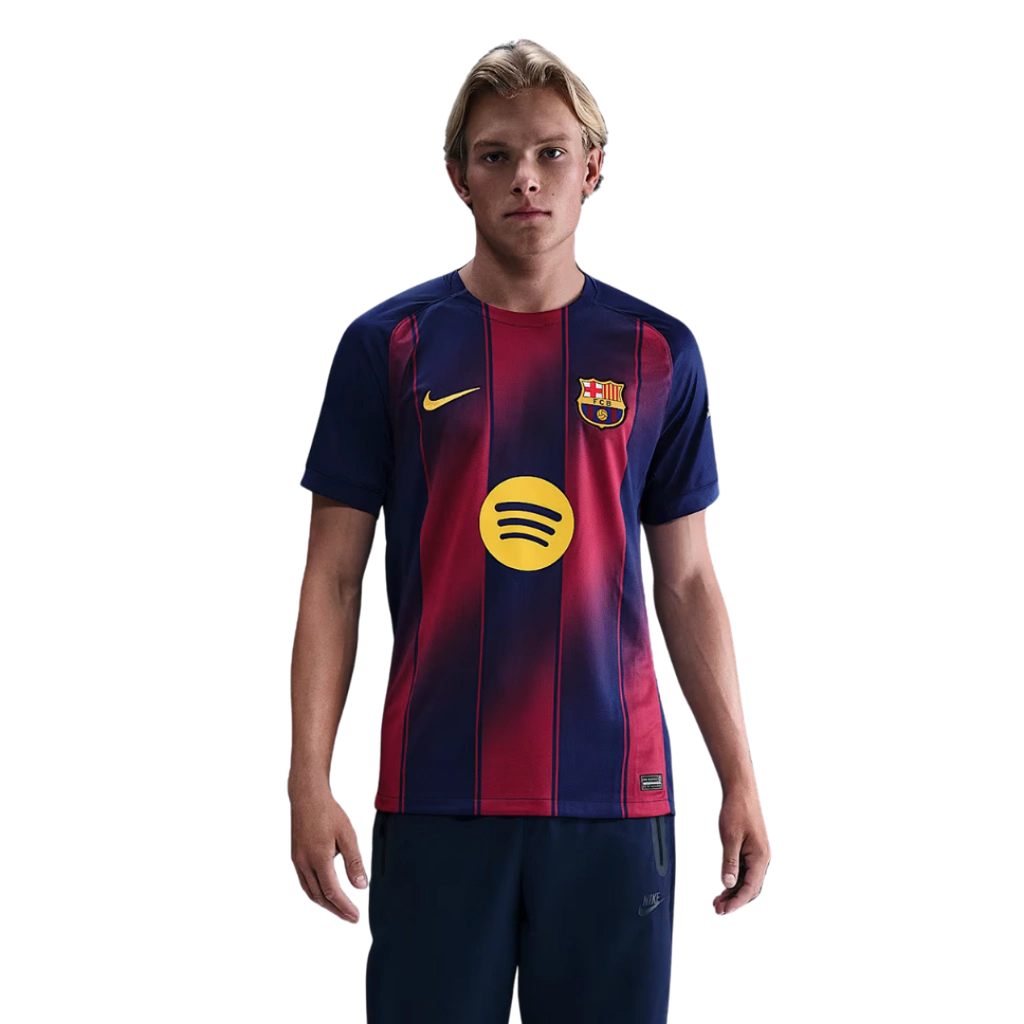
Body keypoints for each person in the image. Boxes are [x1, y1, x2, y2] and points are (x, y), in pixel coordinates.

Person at [289, 38, 770, 1024]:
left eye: (551, 152)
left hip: (616, 799)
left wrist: (740, 777)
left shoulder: (657, 352)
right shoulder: (388, 347)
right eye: (497, 155)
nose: (525, 177)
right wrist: (307, 778)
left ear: (594, 167)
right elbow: (332, 579)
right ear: (457, 175)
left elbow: (686, 582)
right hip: (438, 791)